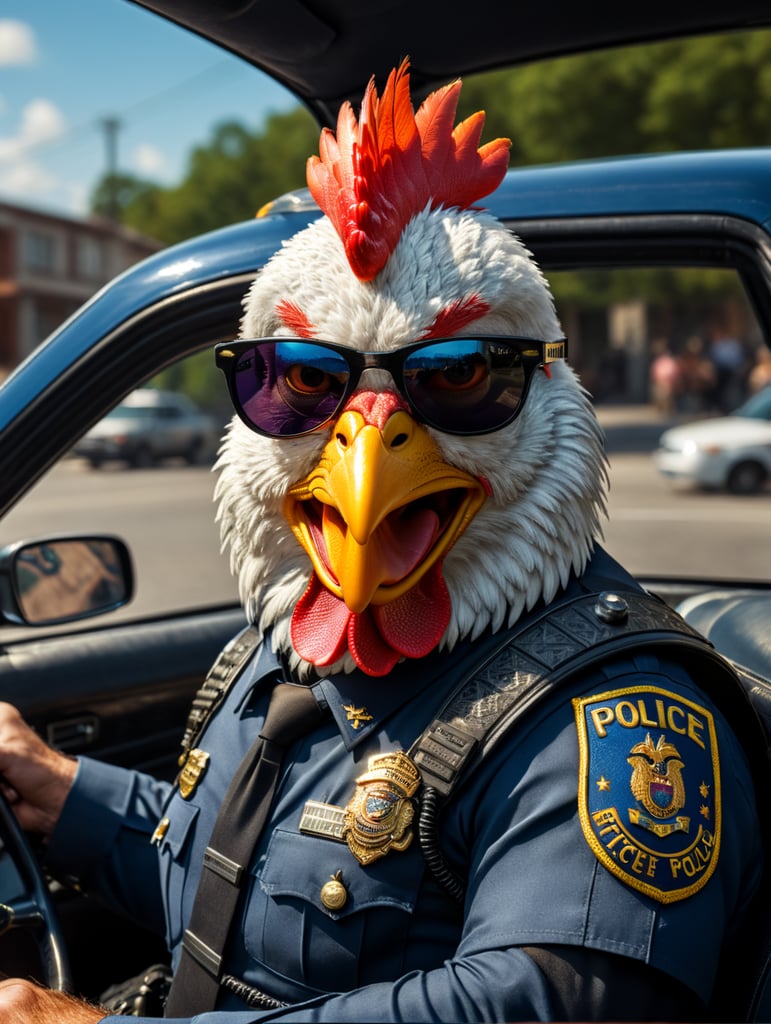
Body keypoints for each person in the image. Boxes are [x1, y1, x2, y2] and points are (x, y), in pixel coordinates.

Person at [0, 63, 762, 1023]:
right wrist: (67, 794)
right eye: (303, 380)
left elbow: (549, 1003)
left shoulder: (616, 720)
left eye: (457, 375)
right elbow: (244, 886)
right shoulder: (277, 657)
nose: (367, 447)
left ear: (554, 395)